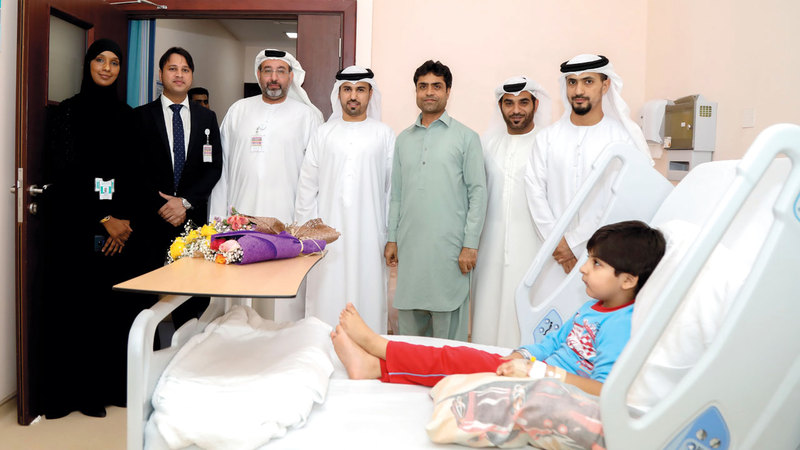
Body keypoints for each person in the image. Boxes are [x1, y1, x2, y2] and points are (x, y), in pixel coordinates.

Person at [332, 221, 666, 396]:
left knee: (453, 361)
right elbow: (554, 342)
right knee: (458, 358)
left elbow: (604, 391)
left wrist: (539, 373)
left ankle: (379, 349)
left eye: (596, 263)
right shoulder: (592, 308)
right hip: (533, 371)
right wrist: (524, 354)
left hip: (545, 386)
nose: (583, 268)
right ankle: (374, 366)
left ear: (628, 280)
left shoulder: (621, 325)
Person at [39, 39, 150, 418]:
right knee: (78, 309)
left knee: (111, 311)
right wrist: (104, 218)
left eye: (115, 62)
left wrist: (125, 221)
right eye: (100, 60)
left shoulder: (127, 116)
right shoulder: (67, 113)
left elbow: (136, 173)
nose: (107, 67)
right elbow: (65, 171)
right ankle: (79, 394)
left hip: (121, 231)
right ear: (88, 64)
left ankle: (109, 389)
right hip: (77, 224)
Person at [208, 48, 322, 322]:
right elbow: (222, 170)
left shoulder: (307, 116)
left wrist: (305, 225)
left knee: (281, 303)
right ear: (258, 75)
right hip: (240, 220)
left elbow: (315, 177)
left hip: (286, 221)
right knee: (239, 300)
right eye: (268, 70)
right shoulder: (238, 111)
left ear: (291, 77)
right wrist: (217, 221)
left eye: (280, 71)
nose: (274, 78)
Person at [385, 60, 487, 341]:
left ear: (448, 91)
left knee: (447, 334)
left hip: (450, 251)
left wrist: (470, 244)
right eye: (423, 86)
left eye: (436, 86)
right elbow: (397, 195)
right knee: (410, 335)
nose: (429, 92)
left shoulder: (466, 138)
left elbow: (478, 192)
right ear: (416, 91)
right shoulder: (403, 140)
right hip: (411, 249)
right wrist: (392, 238)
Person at [525, 54, 652, 274]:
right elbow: (534, 191)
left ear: (605, 85)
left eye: (588, 81)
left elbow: (621, 198)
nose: (578, 91)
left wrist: (573, 244)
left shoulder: (622, 139)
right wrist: (556, 242)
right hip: (552, 255)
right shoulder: (547, 138)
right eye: (572, 82)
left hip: (604, 253)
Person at [295, 66, 395, 332]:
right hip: (327, 238)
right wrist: (308, 234)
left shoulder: (384, 134)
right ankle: (320, 346)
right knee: (326, 295)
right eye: (347, 89)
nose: (353, 96)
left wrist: (390, 235)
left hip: (370, 235)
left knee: (368, 294)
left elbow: (392, 190)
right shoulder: (323, 133)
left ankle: (366, 348)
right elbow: (307, 186)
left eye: (360, 89)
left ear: (370, 94)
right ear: (338, 94)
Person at [129, 47, 222, 327]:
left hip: (191, 222)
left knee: (191, 299)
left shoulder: (207, 118)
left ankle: (189, 351)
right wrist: (164, 205)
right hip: (151, 220)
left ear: (192, 75)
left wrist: (184, 202)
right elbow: (133, 169)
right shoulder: (140, 117)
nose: (179, 75)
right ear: (161, 74)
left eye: (185, 69)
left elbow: (213, 168)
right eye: (172, 69)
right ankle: (147, 350)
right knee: (145, 300)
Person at [472, 76, 552, 348]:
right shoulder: (486, 143)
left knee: (524, 305)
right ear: (500, 106)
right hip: (490, 245)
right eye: (509, 103)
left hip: (533, 244)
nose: (516, 110)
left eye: (523, 103)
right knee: (487, 305)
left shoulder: (547, 143)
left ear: (536, 105)